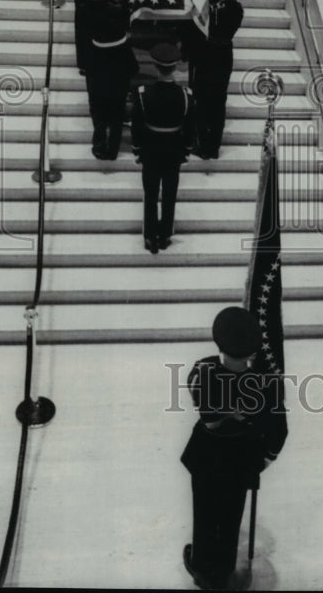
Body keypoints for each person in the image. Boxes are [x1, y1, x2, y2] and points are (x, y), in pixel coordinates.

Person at [181, 306, 287, 591]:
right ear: (253, 352)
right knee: (231, 516)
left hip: (206, 456)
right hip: (241, 460)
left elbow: (209, 419)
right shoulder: (264, 384)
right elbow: (278, 428)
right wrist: (263, 460)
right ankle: (225, 568)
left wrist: (225, 412)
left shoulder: (202, 369)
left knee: (204, 512)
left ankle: (202, 567)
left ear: (219, 342)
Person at [131, 43, 194, 254]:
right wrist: (185, 150)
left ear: (156, 67)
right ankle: (165, 234)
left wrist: (137, 149)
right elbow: (189, 128)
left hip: (150, 149)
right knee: (169, 194)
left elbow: (137, 126)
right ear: (175, 67)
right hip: (173, 150)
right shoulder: (185, 95)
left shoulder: (143, 93)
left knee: (150, 194)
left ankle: (150, 237)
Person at [79, 0, 137, 161]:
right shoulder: (119, 10)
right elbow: (127, 34)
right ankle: (112, 149)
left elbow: (83, 38)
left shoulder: (84, 11)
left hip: (96, 62)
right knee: (117, 108)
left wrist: (84, 64)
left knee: (98, 108)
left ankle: (99, 142)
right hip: (119, 62)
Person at [193, 0, 247, 160]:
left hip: (210, 54)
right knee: (218, 102)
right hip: (225, 55)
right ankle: (213, 146)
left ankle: (202, 145)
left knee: (202, 99)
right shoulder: (239, 10)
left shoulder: (216, 9)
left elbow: (204, 16)